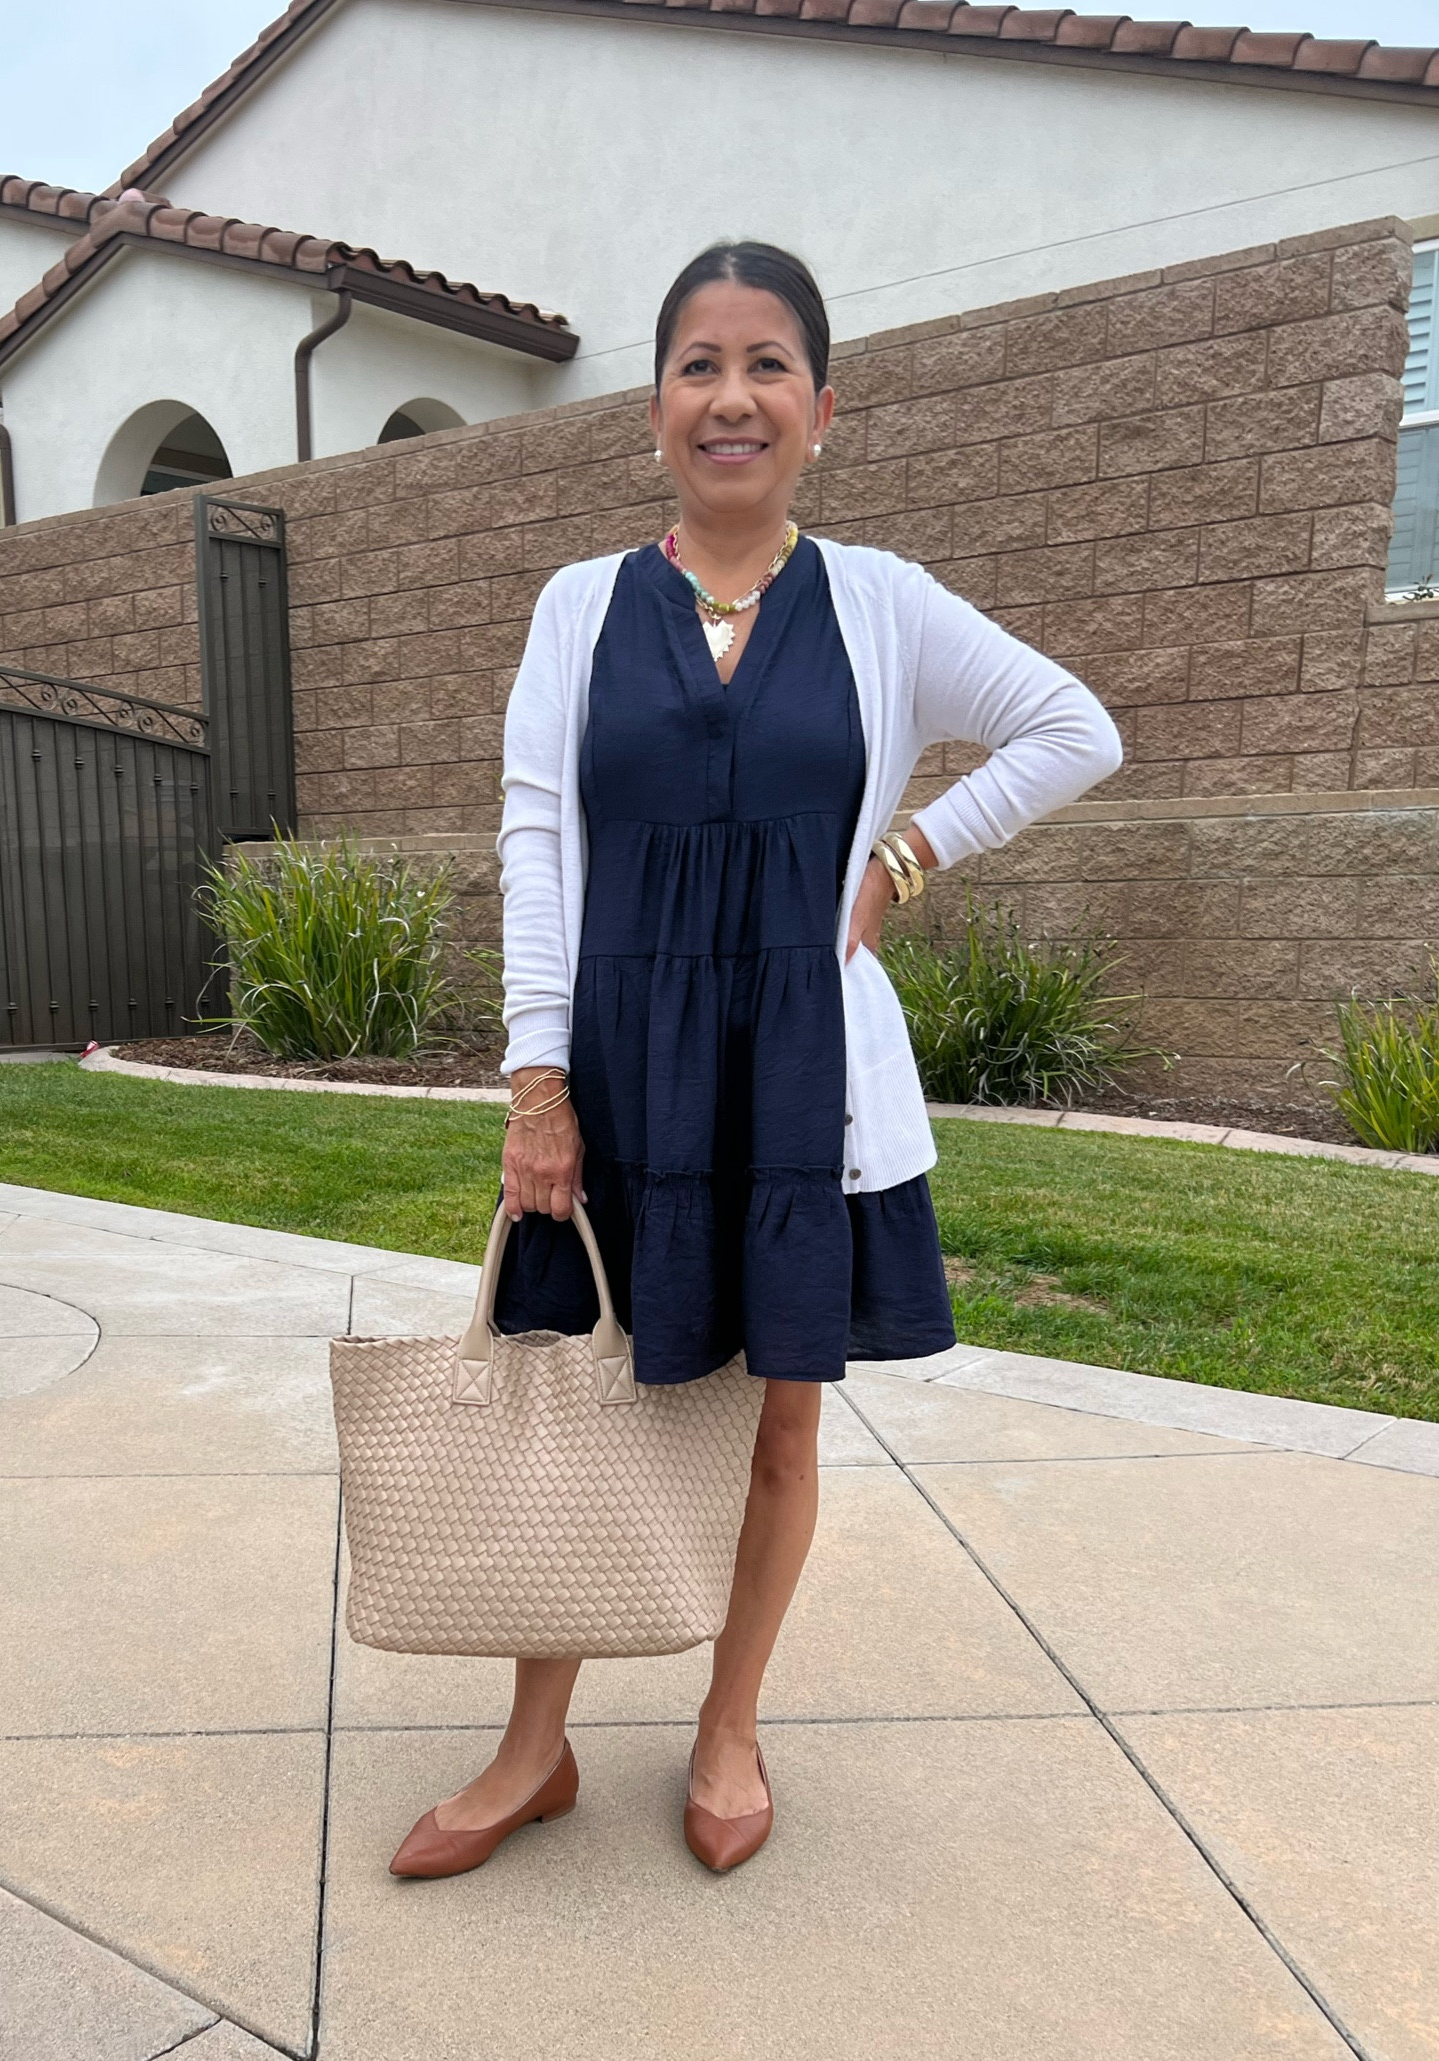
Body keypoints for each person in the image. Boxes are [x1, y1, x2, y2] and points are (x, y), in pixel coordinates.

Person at [389, 241, 1122, 1881]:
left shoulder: (883, 602)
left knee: (781, 1427)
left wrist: (907, 857)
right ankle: (534, 1748)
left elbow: (1077, 727)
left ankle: (730, 1726)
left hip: (802, 1073)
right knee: (583, 1398)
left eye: (767, 363)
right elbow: (537, 841)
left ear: (822, 409)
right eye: (699, 365)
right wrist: (536, 1084)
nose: (733, 396)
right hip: (617, 1073)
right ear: (654, 408)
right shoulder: (579, 606)